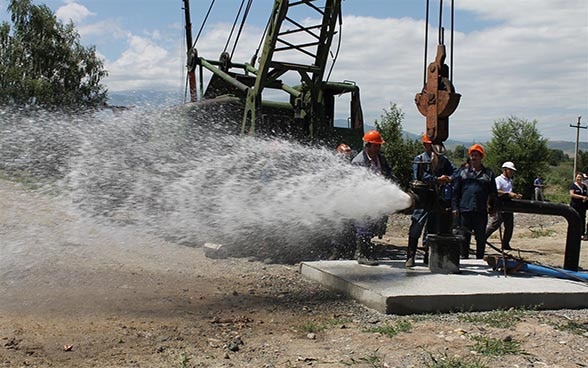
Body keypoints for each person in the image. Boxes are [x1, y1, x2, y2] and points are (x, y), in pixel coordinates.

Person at [406, 133, 457, 267]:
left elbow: (454, 172)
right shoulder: (420, 159)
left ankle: (428, 255)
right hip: (422, 197)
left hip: (436, 198)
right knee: (416, 227)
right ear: (425, 145)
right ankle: (410, 256)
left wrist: (449, 178)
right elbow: (420, 176)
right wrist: (437, 179)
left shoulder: (443, 160)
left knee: (432, 228)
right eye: (429, 144)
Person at [351, 130, 396, 265]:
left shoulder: (380, 158)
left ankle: (365, 252)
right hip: (363, 199)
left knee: (373, 225)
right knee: (363, 225)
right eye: (376, 146)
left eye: (379, 146)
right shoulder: (358, 162)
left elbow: (388, 173)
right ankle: (362, 254)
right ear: (368, 145)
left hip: (376, 198)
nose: (378, 148)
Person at [451, 144, 498, 259]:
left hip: (480, 211)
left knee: (480, 238)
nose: (474, 158)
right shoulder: (462, 173)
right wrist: (455, 208)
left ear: (481, 157)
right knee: (464, 238)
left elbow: (493, 193)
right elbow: (455, 192)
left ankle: (480, 260)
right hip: (465, 210)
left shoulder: (488, 174)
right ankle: (464, 259)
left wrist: (493, 208)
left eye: (476, 155)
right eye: (472, 155)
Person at [485, 162, 523, 251]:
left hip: (508, 206)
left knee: (509, 226)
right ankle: (483, 238)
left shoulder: (510, 181)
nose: (512, 172)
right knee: (495, 225)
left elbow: (509, 192)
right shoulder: (498, 180)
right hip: (500, 205)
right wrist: (508, 193)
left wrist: (515, 195)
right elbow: (496, 191)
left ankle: (505, 244)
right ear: (505, 170)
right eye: (510, 170)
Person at [569, 172, 588, 240]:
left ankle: (582, 233)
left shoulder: (584, 186)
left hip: (582, 206)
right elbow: (572, 194)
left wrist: (585, 198)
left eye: (580, 177)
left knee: (582, 219)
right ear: (575, 178)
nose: (579, 178)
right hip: (575, 205)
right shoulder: (573, 186)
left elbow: (586, 194)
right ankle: (574, 233)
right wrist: (581, 197)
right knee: (574, 218)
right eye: (578, 177)